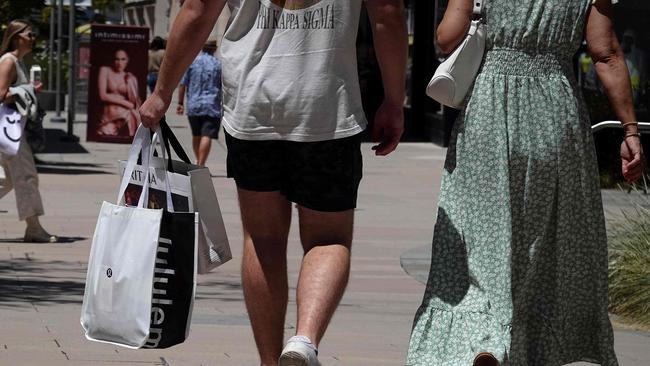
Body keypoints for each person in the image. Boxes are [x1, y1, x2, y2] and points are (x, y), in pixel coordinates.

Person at [139, 1, 407, 365]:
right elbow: (388, 12)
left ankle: (269, 361)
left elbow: (198, 10)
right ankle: (303, 341)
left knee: (262, 238)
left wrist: (162, 93)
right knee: (328, 238)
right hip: (327, 106)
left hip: (253, 103)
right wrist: (394, 99)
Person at [407, 1, 644, 366]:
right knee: (541, 242)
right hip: (556, 113)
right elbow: (606, 53)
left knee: (481, 238)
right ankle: (524, 343)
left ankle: (485, 338)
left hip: (489, 110)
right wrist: (629, 130)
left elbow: (446, 38)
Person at [0, 20, 58, 243]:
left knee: (6, 180)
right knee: (26, 176)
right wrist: (26, 90)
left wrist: (28, 90)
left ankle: (33, 227)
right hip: (10, 130)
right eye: (30, 34)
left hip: (12, 129)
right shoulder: (8, 61)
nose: (34, 38)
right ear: (17, 37)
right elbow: (2, 94)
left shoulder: (18, 61)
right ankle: (33, 228)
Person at [176, 38, 222, 166]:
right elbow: (224, 86)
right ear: (215, 49)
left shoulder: (192, 63)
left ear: (202, 48)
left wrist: (180, 103)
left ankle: (198, 161)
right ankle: (201, 164)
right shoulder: (218, 65)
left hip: (194, 105)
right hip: (212, 105)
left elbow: (183, 84)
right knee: (207, 135)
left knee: (196, 135)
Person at [97, 49, 140, 137]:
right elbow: (103, 96)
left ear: (127, 60)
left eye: (123, 59)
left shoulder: (130, 77)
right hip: (109, 115)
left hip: (126, 115)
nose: (119, 62)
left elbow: (135, 101)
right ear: (113, 60)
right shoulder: (105, 70)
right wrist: (126, 103)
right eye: (117, 59)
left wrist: (130, 83)